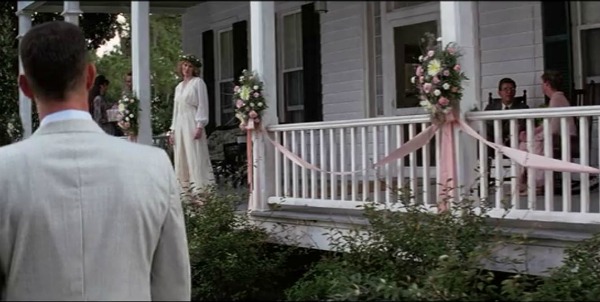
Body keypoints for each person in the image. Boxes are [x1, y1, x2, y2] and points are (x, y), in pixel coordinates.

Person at [0, 21, 191, 300]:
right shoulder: (154, 166)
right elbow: (173, 286)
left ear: (25, 87)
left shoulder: (5, 171)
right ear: (90, 77)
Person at [517, 70, 576, 194]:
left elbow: (553, 128)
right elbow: (546, 124)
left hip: (563, 139)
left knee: (534, 145)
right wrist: (530, 133)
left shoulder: (557, 99)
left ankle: (537, 184)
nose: (542, 86)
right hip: (557, 137)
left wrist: (535, 137)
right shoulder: (556, 98)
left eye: (542, 83)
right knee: (524, 145)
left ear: (547, 84)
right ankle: (524, 182)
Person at [168, 54, 215, 192]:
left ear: (194, 69)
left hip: (191, 121)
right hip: (179, 123)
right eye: (185, 65)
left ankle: (201, 191)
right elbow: (176, 110)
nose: (187, 69)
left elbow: (202, 104)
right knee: (181, 155)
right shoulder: (178, 87)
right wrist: (172, 130)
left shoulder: (198, 83)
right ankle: (185, 192)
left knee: (194, 154)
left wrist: (199, 125)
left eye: (190, 66)